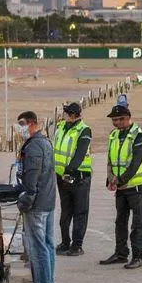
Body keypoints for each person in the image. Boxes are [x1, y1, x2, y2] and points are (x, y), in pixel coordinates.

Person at [100, 104, 142, 270]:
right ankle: (121, 253)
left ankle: (138, 256)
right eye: (114, 120)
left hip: (137, 187)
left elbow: (135, 163)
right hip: (121, 187)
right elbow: (110, 160)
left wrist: (120, 180)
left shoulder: (139, 136)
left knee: (138, 224)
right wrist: (110, 179)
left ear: (128, 117)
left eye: (120, 119)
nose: (117, 123)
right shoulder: (114, 135)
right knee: (120, 222)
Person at [17, 111, 57, 283]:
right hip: (48, 200)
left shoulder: (33, 147)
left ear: (33, 123)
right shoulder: (46, 142)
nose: (20, 128)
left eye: (23, 124)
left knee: (38, 248)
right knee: (48, 246)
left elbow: (32, 177)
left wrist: (26, 200)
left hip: (37, 204)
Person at [52, 101, 93, 256]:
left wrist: (70, 170)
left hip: (79, 177)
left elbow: (80, 153)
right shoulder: (61, 127)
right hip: (62, 177)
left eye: (68, 113)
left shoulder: (84, 130)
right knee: (65, 211)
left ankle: (77, 245)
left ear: (75, 115)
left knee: (80, 212)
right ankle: (65, 242)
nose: (65, 115)